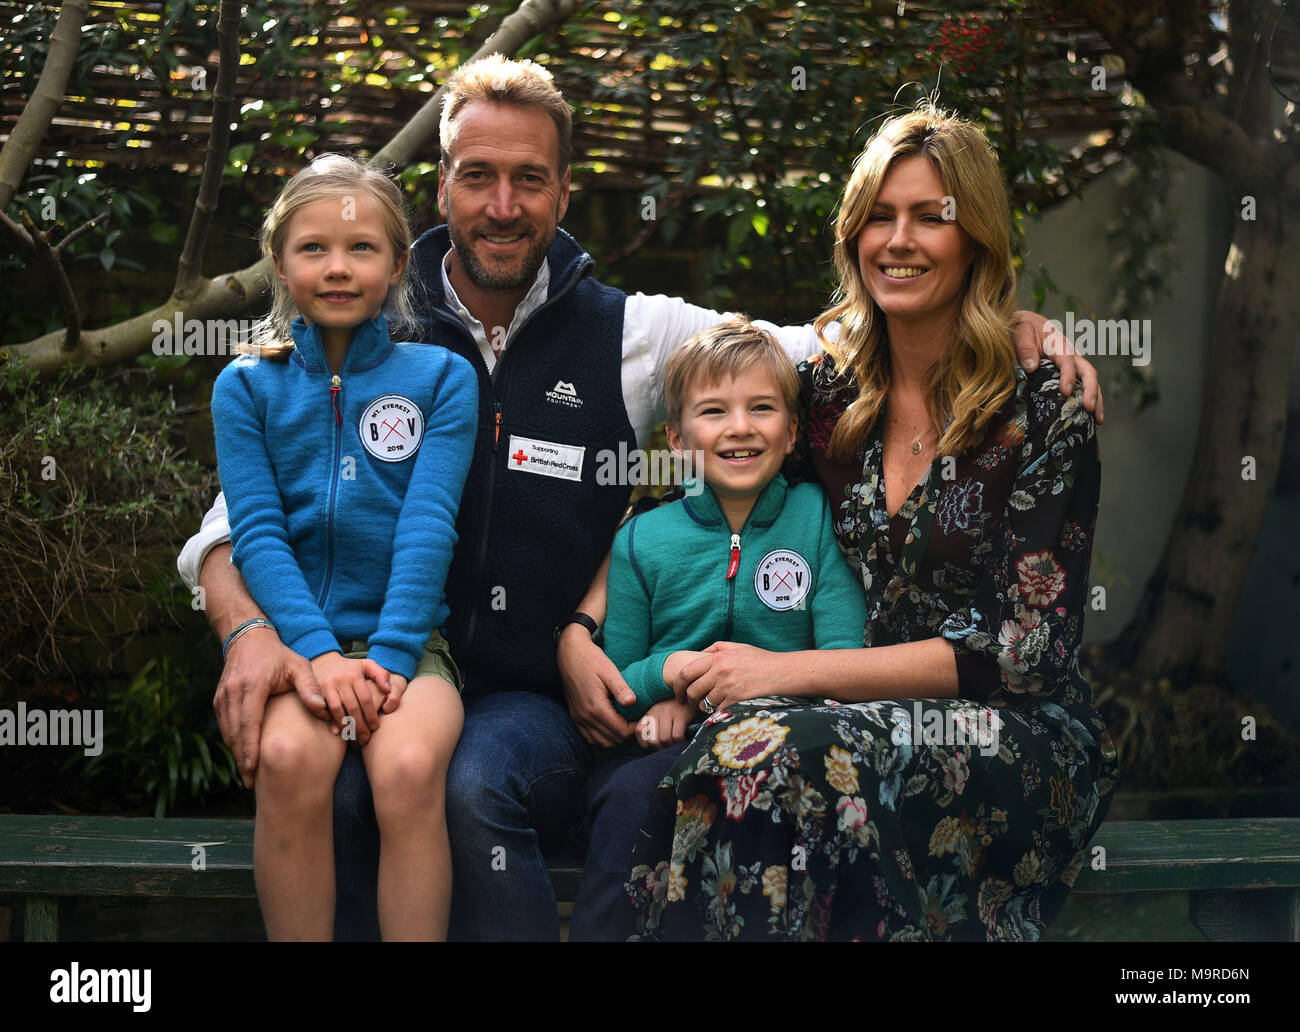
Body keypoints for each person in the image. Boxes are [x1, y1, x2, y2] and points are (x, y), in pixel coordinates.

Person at [177, 55, 1104, 941]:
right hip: (384, 662)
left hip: (541, 700)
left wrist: (1008, 319)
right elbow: (243, 514)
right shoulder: (371, 318)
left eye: (531, 180)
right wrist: (248, 630)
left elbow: (781, 354)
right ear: (442, 186)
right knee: (331, 787)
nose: (503, 206)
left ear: (566, 192)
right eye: (478, 177)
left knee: (467, 785)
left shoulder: (634, 333)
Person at [601, 105, 1118, 940]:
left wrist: (788, 674)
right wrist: (583, 625)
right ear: (853, 235)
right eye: (880, 215)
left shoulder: (1044, 408)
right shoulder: (823, 396)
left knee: (771, 749)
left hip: (1015, 733)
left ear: (977, 239)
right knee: (749, 748)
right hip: (831, 714)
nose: (899, 239)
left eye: (930, 217)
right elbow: (709, 495)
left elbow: (1022, 655)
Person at [209, 153, 477, 940]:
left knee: (405, 768)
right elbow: (255, 532)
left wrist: (392, 656)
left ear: (398, 263)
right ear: (281, 264)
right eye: (314, 248)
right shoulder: (245, 388)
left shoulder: (441, 379)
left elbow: (430, 526)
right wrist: (319, 655)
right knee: (289, 762)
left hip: (411, 647)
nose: (337, 267)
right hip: (300, 651)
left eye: (361, 249)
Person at [566, 318, 869, 939]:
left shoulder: (819, 520)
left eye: (762, 408)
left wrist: (740, 706)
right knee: (629, 803)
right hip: (661, 750)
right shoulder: (641, 540)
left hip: (787, 738)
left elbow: (843, 656)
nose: (740, 426)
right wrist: (670, 680)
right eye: (713, 411)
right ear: (677, 438)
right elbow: (623, 675)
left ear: (790, 433)